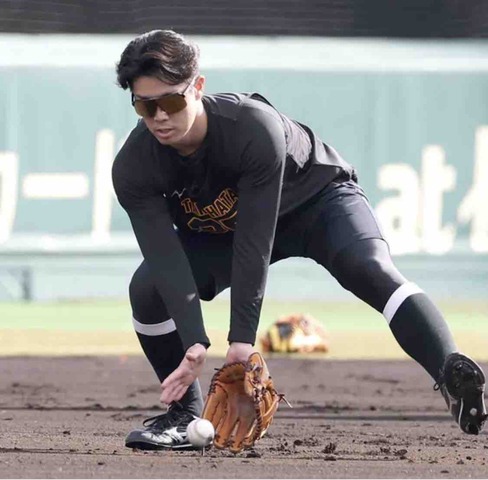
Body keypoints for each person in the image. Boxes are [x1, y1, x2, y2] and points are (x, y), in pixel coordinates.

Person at [112, 29, 487, 450]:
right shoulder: (134, 166)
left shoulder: (252, 127)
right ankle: (183, 416)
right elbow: (166, 259)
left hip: (316, 202)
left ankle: (451, 371)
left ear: (197, 87)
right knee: (147, 288)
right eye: (145, 106)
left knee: (369, 268)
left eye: (171, 102)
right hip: (223, 229)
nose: (159, 117)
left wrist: (240, 343)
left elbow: (254, 243)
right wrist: (195, 342)